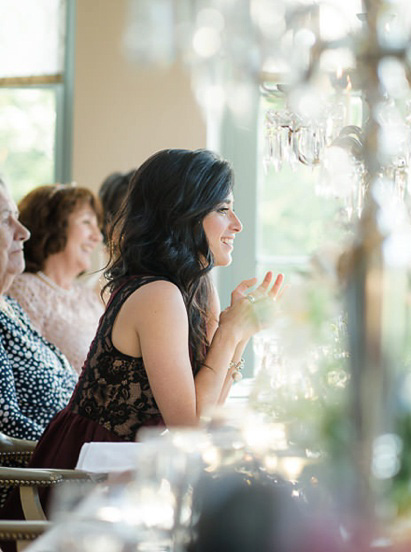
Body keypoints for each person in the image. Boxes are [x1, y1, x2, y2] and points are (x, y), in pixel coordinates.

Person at [7, 148, 283, 496]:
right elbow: (190, 428)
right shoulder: (157, 294)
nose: (237, 224)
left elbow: (207, 412)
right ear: (182, 214)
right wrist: (230, 334)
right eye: (223, 210)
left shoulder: (198, 287)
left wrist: (240, 331)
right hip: (86, 478)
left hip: (130, 468)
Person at [0, 179, 77, 440]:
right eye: (4, 220)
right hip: (44, 473)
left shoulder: (10, 306)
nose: (23, 232)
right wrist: (76, 454)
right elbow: (7, 422)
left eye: (17, 218)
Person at [7, 185, 105, 373]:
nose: (97, 236)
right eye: (86, 222)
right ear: (53, 227)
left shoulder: (88, 298)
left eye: (98, 226)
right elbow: (28, 372)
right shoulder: (24, 290)